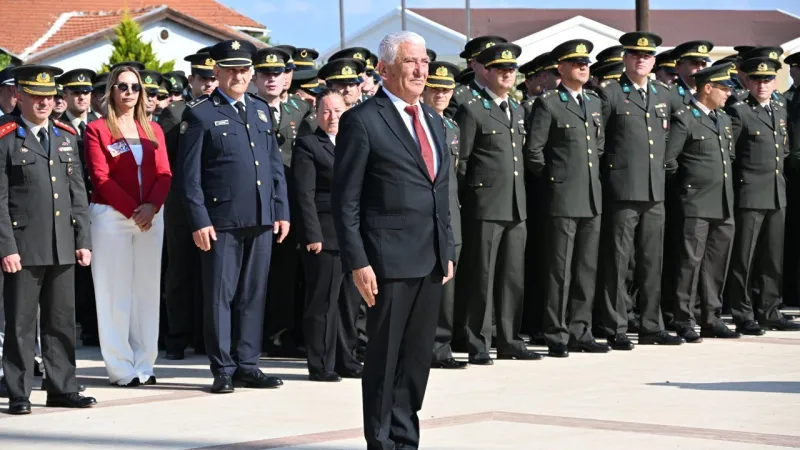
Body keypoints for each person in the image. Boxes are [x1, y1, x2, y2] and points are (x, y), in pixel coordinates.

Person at [331, 31, 454, 450]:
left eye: (424, 62)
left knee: (417, 360)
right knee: (384, 360)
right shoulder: (363, 120)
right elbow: (346, 200)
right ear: (384, 69)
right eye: (410, 61)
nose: (421, 70)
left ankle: (405, 439)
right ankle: (381, 441)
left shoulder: (434, 120)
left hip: (430, 258)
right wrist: (357, 261)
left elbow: (440, 190)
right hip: (386, 261)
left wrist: (447, 247)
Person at [176, 39, 288, 394]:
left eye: (244, 69)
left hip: (261, 216)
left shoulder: (260, 109)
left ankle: (248, 364)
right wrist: (199, 220)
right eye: (231, 70)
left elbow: (273, 166)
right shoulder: (200, 113)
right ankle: (223, 368)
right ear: (217, 72)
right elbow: (189, 176)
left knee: (254, 294)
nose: (238, 76)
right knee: (219, 296)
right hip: (221, 220)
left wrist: (281, 210)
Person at [0, 64, 95, 414]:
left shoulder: (65, 135)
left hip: (62, 243)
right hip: (23, 246)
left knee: (61, 320)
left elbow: (77, 193)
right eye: (36, 96)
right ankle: (19, 391)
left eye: (49, 96)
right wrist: (6, 246)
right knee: (21, 323)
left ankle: (62, 387)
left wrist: (83, 239)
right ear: (19, 96)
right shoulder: (6, 136)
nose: (44, 103)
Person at [84, 66, 172, 386]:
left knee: (146, 293)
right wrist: (133, 210)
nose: (129, 92)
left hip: (151, 218)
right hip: (111, 218)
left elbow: (164, 173)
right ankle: (121, 368)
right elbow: (100, 177)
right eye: (122, 86)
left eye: (135, 87)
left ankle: (145, 364)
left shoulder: (154, 129)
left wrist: (151, 207)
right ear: (111, 90)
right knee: (114, 293)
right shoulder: (96, 129)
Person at [455, 42, 541, 364]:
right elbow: (462, 162)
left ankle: (509, 340)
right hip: (485, 206)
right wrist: (469, 199)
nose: (508, 74)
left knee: (512, 277)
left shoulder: (516, 109)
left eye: (511, 69)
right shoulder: (473, 109)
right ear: (486, 72)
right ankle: (478, 342)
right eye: (501, 69)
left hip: (515, 205)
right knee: (482, 277)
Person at [595, 32, 683, 348]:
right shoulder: (610, 93)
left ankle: (650, 325)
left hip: (654, 190)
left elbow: (680, 126)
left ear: (654, 61)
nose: (641, 60)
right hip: (622, 189)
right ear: (625, 58)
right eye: (634, 55)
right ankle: (614, 325)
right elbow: (598, 141)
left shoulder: (663, 93)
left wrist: (667, 161)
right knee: (618, 262)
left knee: (651, 262)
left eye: (646, 56)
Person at [524, 39, 607, 358]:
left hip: (591, 196)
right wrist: (555, 183)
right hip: (562, 197)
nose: (583, 68)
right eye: (576, 63)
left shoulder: (594, 102)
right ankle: (556, 332)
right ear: (561, 68)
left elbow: (598, 147)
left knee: (586, 268)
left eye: (585, 63)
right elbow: (534, 151)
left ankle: (580, 330)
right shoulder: (549, 103)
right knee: (559, 270)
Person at [725, 57, 800, 333]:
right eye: (756, 79)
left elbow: (784, 150)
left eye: (767, 79)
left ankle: (769, 309)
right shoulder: (739, 111)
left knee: (772, 258)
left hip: (776, 193)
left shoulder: (779, 109)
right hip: (750, 194)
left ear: (774, 82)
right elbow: (730, 155)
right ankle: (742, 313)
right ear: (748, 81)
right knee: (744, 259)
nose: (762, 85)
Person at [664, 63, 738, 342]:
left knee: (716, 264)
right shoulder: (685, 118)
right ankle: (684, 319)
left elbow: (728, 157)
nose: (728, 93)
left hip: (722, 202)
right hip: (695, 202)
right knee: (689, 264)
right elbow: (669, 161)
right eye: (724, 88)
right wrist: (687, 188)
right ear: (708, 88)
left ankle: (711, 317)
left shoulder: (723, 119)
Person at [292, 90, 363, 382]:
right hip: (325, 234)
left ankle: (347, 359)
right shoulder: (308, 145)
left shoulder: (356, 142)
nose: (332, 117)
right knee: (323, 303)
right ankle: (321, 363)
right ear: (317, 114)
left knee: (350, 303)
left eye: (337, 111)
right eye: (325, 111)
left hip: (353, 236)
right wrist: (312, 234)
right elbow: (304, 195)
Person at [159, 49, 218, 360]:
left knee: (213, 274)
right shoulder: (176, 113)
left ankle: (206, 336)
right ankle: (177, 337)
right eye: (202, 78)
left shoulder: (224, 110)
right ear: (191, 80)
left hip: (216, 204)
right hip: (182, 204)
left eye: (212, 78)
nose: (208, 84)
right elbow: (167, 163)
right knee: (180, 272)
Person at [255, 47, 308, 358]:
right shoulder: (246, 109)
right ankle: (251, 336)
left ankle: (280, 335)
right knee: (253, 276)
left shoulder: (300, 111)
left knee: (286, 275)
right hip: (255, 204)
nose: (272, 79)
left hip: (289, 204)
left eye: (277, 73)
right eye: (265, 73)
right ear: (255, 77)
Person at [424, 61, 469, 370]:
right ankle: (421, 347)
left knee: (447, 285)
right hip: (425, 215)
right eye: (435, 89)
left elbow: (457, 172)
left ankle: (441, 347)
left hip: (451, 213)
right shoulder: (416, 123)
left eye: (446, 90)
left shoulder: (452, 126)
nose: (440, 95)